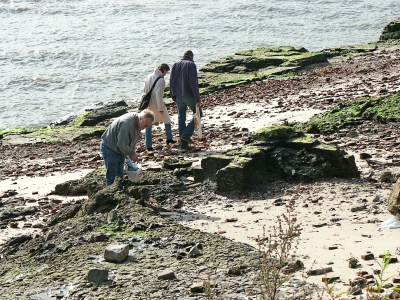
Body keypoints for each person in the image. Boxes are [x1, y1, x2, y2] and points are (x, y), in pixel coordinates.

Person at [100, 110, 154, 186]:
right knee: (112, 176)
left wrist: (130, 156)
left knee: (120, 175)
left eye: (148, 126)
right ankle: (110, 194)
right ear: (140, 118)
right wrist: (132, 154)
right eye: (145, 125)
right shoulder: (127, 124)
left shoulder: (138, 123)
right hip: (110, 147)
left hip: (119, 149)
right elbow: (122, 145)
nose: (146, 128)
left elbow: (130, 140)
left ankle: (118, 193)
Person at [170, 50, 201, 150]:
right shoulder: (191, 65)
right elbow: (193, 83)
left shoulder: (175, 64)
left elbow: (171, 81)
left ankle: (184, 146)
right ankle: (186, 134)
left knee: (181, 119)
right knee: (199, 113)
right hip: (188, 95)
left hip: (178, 95)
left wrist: (173, 96)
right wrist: (197, 98)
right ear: (192, 56)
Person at [143, 63, 176, 151]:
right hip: (157, 104)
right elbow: (159, 95)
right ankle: (169, 138)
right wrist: (160, 108)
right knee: (167, 120)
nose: (166, 74)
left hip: (149, 104)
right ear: (164, 70)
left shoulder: (148, 76)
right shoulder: (161, 80)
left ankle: (148, 145)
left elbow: (144, 90)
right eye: (166, 72)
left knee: (148, 124)